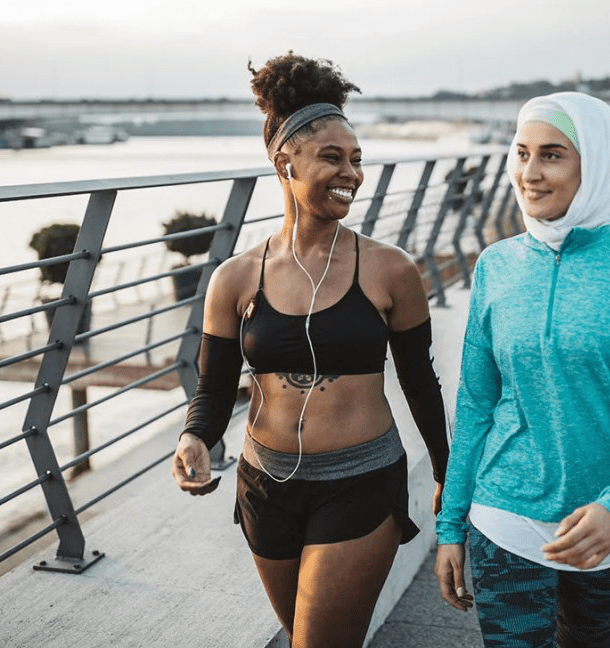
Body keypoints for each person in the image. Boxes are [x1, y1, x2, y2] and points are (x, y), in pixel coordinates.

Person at [171, 52, 450, 648]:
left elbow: (420, 382)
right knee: (304, 634)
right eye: (332, 157)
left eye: (356, 160)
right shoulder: (235, 278)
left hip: (360, 482)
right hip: (264, 484)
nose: (351, 173)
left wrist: (448, 472)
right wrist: (195, 436)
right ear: (284, 161)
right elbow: (214, 389)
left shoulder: (390, 270)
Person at [434, 92, 610, 648]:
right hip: (504, 515)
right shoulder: (495, 265)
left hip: (609, 524)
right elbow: (476, 403)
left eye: (552, 155)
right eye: (521, 153)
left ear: (592, 163)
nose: (530, 172)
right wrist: (450, 526)